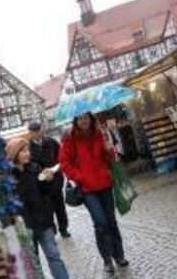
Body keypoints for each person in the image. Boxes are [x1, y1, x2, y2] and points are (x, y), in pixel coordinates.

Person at [59, 112, 128, 274]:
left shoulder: (100, 134)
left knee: (111, 221)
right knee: (100, 223)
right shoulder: (70, 139)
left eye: (86, 117)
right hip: (87, 189)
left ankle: (119, 255)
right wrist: (79, 177)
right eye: (80, 118)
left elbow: (110, 159)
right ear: (75, 120)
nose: (84, 121)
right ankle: (106, 259)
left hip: (104, 184)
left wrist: (109, 150)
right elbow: (64, 162)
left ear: (91, 118)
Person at [6, 137, 70, 279]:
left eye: (27, 150)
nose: (27, 153)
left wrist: (49, 180)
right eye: (23, 151)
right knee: (34, 266)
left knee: (54, 256)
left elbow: (48, 192)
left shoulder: (35, 168)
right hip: (24, 228)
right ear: (15, 155)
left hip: (43, 221)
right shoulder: (7, 178)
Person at [27, 121, 71, 238]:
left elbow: (61, 158)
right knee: (47, 210)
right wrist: (42, 172)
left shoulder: (52, 142)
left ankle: (63, 228)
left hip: (56, 180)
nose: (36, 133)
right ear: (30, 133)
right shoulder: (29, 147)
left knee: (60, 207)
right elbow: (30, 164)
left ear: (42, 130)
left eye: (38, 130)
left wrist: (55, 169)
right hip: (42, 184)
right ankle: (52, 230)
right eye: (33, 131)